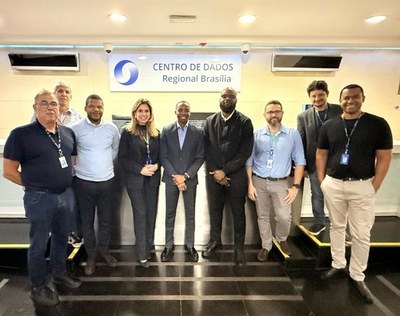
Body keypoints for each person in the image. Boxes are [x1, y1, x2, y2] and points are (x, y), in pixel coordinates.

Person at [3, 90, 81, 307]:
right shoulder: (21, 135)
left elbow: (70, 161)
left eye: (54, 104)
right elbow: (8, 170)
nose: (50, 107)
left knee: (60, 239)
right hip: (39, 199)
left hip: (65, 195)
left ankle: (59, 274)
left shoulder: (67, 133)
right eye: (44, 103)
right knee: (38, 243)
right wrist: (33, 185)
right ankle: (38, 286)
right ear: (35, 107)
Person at [316, 84, 392, 304]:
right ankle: (338, 264)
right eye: (346, 98)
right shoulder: (329, 125)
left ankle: (357, 275)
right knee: (337, 227)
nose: (350, 101)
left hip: (362, 185)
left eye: (355, 97)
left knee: (360, 233)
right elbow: (321, 154)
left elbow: (384, 157)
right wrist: (322, 181)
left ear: (362, 98)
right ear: (340, 100)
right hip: (334, 184)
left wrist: (374, 185)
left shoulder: (377, 124)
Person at [246, 100, 306, 260]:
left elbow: (300, 161)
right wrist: (250, 184)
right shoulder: (256, 135)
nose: (274, 114)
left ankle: (282, 239)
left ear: (282, 113)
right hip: (259, 181)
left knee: (284, 217)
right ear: (265, 115)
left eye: (277, 111)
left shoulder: (292, 134)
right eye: (270, 112)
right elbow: (249, 162)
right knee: (262, 216)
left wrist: (295, 186)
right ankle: (266, 245)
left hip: (281, 182)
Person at [202, 87, 254, 267]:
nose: (227, 99)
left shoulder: (245, 122)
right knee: (215, 210)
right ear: (219, 98)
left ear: (236, 100)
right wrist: (217, 171)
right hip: (213, 174)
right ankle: (215, 241)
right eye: (224, 96)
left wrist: (226, 170)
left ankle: (239, 249)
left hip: (237, 175)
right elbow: (206, 149)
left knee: (238, 213)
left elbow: (245, 151)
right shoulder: (209, 122)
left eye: (231, 96)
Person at [70, 94, 120, 275]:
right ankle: (91, 256)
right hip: (84, 183)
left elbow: (115, 150)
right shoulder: (75, 129)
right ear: (85, 108)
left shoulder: (112, 128)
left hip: (107, 182)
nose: (96, 110)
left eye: (99, 107)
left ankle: (104, 251)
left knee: (106, 221)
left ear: (103, 108)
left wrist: (102, 166)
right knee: (87, 222)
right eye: (92, 106)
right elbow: (72, 153)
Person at [160, 101, 205, 262]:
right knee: (169, 214)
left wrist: (185, 176)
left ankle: (190, 245)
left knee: (190, 215)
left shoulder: (198, 132)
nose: (184, 112)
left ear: (190, 113)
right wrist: (176, 177)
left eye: (187, 109)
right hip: (171, 180)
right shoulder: (166, 130)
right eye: (181, 109)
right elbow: (163, 157)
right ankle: (168, 245)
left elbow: (200, 157)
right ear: (175, 112)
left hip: (190, 180)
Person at [118, 98, 161, 268]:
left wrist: (157, 165)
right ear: (134, 114)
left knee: (151, 214)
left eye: (146, 111)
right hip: (136, 181)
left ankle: (148, 247)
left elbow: (161, 157)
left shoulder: (156, 133)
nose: (143, 114)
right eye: (140, 111)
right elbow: (122, 158)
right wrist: (140, 169)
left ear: (150, 114)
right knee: (141, 214)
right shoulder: (127, 133)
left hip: (153, 180)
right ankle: (142, 255)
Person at [297, 80, 342, 235]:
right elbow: (301, 142)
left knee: (338, 196)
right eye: (314, 96)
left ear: (327, 94)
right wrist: (301, 166)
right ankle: (319, 222)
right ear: (310, 98)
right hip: (314, 163)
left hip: (336, 161)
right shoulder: (303, 116)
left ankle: (340, 225)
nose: (317, 99)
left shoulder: (339, 110)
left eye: (320, 95)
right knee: (317, 194)